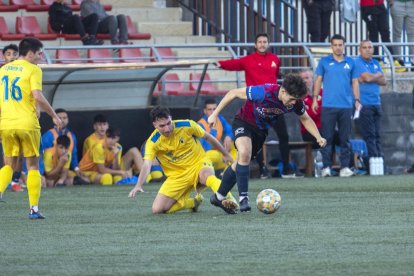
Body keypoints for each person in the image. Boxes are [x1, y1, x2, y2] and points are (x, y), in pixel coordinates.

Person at [208, 73, 327, 214]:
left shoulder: (296, 103)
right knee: (244, 152)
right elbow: (233, 93)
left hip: (260, 132)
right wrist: (214, 114)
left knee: (240, 162)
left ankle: (218, 196)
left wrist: (318, 136)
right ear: (283, 91)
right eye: (292, 99)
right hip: (243, 122)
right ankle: (243, 199)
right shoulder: (263, 92)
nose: (294, 103)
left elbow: (305, 119)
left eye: (296, 100)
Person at [215, 33, 296, 178]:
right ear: (255, 44)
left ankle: (287, 169)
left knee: (283, 135)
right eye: (260, 42)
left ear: (268, 44)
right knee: (255, 138)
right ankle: (262, 169)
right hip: (255, 104)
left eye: (265, 41)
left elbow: (275, 76)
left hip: (274, 104)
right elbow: (233, 65)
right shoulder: (248, 60)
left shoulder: (274, 59)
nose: (262, 44)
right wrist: (219, 64)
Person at [128, 106, 237, 214]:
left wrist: (226, 154)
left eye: (168, 123)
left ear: (171, 118)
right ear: (154, 125)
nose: (167, 128)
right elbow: (147, 165)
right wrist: (138, 185)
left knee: (207, 176)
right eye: (162, 126)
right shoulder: (152, 142)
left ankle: (230, 200)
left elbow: (208, 137)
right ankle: (193, 203)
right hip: (177, 176)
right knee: (157, 209)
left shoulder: (187, 125)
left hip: (198, 164)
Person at [0, 37, 63, 219]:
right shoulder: (33, 69)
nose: (41, 56)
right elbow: (38, 96)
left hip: (6, 123)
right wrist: (54, 115)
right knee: (33, 165)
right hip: (27, 124)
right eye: (39, 53)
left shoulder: (3, 70)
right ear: (30, 53)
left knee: (9, 165)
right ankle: (33, 209)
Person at [312, 34, 361, 177]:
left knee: (345, 138)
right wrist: (315, 98)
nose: (338, 47)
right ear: (331, 46)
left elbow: (355, 82)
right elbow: (318, 80)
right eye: (335, 45)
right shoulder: (324, 61)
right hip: (328, 105)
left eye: (340, 45)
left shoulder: (351, 62)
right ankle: (326, 168)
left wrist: (357, 99)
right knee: (327, 137)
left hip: (346, 105)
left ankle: (344, 167)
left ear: (344, 46)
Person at [354, 40, 386, 170]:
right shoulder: (357, 62)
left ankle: (379, 162)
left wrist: (373, 77)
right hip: (364, 104)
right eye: (365, 47)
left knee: (377, 134)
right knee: (370, 135)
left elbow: (384, 81)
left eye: (370, 47)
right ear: (360, 50)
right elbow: (365, 78)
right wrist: (377, 76)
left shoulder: (376, 63)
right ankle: (372, 162)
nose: (368, 50)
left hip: (376, 103)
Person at [1, 44, 25, 192]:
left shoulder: (24, 73)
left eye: (14, 54)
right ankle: (5, 183)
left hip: (22, 118)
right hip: (5, 119)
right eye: (8, 54)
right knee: (8, 154)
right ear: (4, 57)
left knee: (21, 153)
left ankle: (15, 180)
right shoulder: (1, 73)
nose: (11, 56)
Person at [42, 108, 87, 183]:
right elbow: (41, 156)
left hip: (64, 169)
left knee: (79, 179)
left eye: (64, 118)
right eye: (59, 118)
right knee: (49, 181)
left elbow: (73, 155)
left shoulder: (72, 136)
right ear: (54, 119)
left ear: (68, 119)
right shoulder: (48, 136)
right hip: (48, 171)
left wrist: (76, 169)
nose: (62, 120)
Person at [360, 0, 406, 72]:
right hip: (367, 6)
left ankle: (393, 60)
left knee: (385, 33)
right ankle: (377, 61)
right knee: (373, 34)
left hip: (380, 5)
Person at [197, 98, 236, 172]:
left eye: (214, 109)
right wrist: (213, 131)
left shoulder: (220, 118)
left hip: (221, 154)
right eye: (210, 109)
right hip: (209, 157)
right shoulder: (200, 125)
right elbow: (205, 148)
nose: (212, 112)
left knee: (236, 144)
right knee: (209, 154)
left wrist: (228, 137)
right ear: (205, 111)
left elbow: (230, 130)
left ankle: (228, 171)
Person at [390, 0, 414, 69]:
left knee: (412, 34)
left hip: (411, 4)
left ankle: (413, 60)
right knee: (397, 34)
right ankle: (399, 61)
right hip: (397, 3)